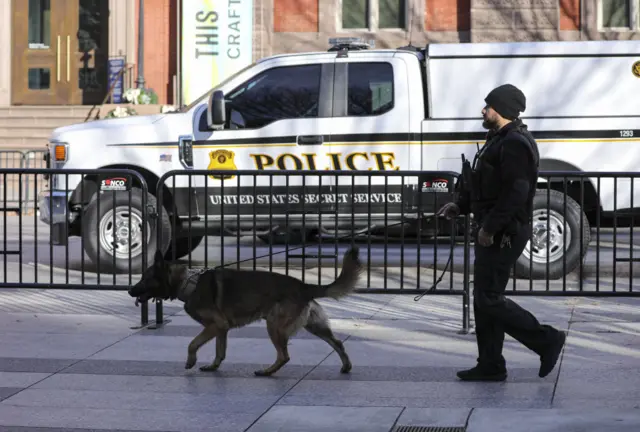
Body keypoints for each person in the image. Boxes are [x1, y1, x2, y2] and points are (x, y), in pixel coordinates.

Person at [437, 83, 566, 382]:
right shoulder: (498, 140)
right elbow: (485, 186)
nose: (483, 110)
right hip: (491, 228)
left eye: (488, 106)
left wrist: (490, 228)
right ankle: (490, 364)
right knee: (483, 297)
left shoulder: (515, 143)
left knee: (489, 297)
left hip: (503, 231)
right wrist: (459, 205)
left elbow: (516, 193)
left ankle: (546, 339)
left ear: (502, 110)